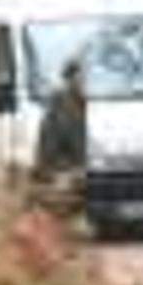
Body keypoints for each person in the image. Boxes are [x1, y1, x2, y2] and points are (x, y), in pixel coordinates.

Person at [33, 59, 87, 207]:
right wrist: (56, 172)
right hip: (64, 170)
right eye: (78, 77)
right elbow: (49, 142)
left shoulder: (88, 102)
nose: (82, 81)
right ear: (69, 79)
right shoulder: (59, 103)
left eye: (83, 77)